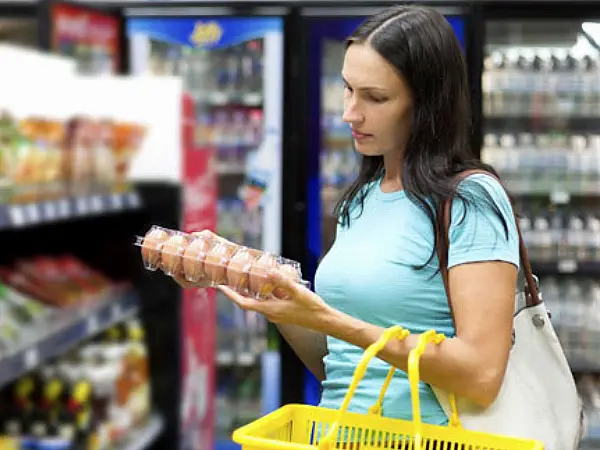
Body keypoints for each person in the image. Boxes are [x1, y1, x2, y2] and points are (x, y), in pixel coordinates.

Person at [183, 4, 520, 427]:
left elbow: (482, 375)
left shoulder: (471, 199)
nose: (350, 113)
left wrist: (329, 319)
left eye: (375, 97)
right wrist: (266, 288)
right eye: (347, 89)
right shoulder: (361, 199)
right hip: (339, 433)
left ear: (429, 104)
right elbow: (341, 367)